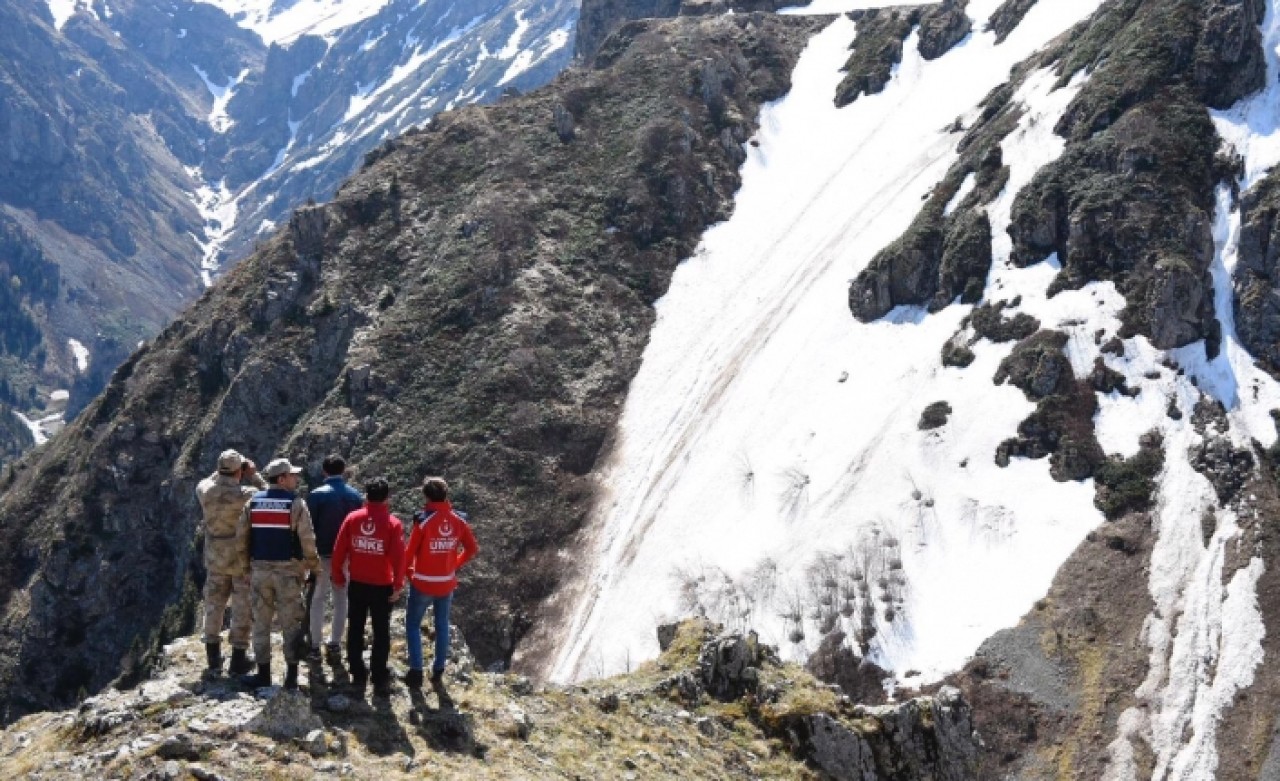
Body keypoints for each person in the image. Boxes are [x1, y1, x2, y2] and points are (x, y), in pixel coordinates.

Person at [235, 457, 322, 690]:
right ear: (282, 479)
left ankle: (263, 674)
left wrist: (245, 569)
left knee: (261, 623)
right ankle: (291, 676)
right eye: (292, 475)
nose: (296, 478)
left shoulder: (253, 503)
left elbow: (241, 539)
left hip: (260, 572)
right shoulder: (295, 504)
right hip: (288, 573)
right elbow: (308, 540)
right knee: (291, 623)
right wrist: (314, 567)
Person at [331, 477, 405, 696]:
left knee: (355, 628)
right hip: (382, 585)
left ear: (366, 496)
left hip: (358, 583)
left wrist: (337, 575)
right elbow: (399, 558)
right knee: (381, 632)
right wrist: (398, 584)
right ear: (387, 498)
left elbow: (339, 549)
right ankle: (379, 676)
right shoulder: (393, 523)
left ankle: (357, 672)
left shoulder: (353, 518)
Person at [403, 476, 479, 689]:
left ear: (426, 496)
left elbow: (409, 555)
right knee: (442, 624)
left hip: (423, 583)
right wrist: (454, 564)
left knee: (412, 625)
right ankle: (438, 670)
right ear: (446, 494)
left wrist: (410, 574)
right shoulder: (459, 520)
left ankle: (416, 671)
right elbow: (472, 549)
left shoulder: (423, 521)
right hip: (446, 583)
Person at [196, 449, 265, 676]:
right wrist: (253, 475)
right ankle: (238, 658)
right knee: (241, 607)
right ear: (240, 471)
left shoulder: (205, 490)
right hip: (240, 558)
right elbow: (269, 495)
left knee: (214, 605)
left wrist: (225, 471)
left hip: (215, 557)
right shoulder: (247, 494)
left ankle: (213, 658)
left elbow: (208, 480)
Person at [304, 454, 364, 663]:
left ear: (324, 472)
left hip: (321, 555)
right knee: (341, 599)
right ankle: (335, 643)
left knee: (318, 598)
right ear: (344, 470)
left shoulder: (316, 495)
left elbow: (308, 529)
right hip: (346, 556)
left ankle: (314, 645)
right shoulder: (355, 496)